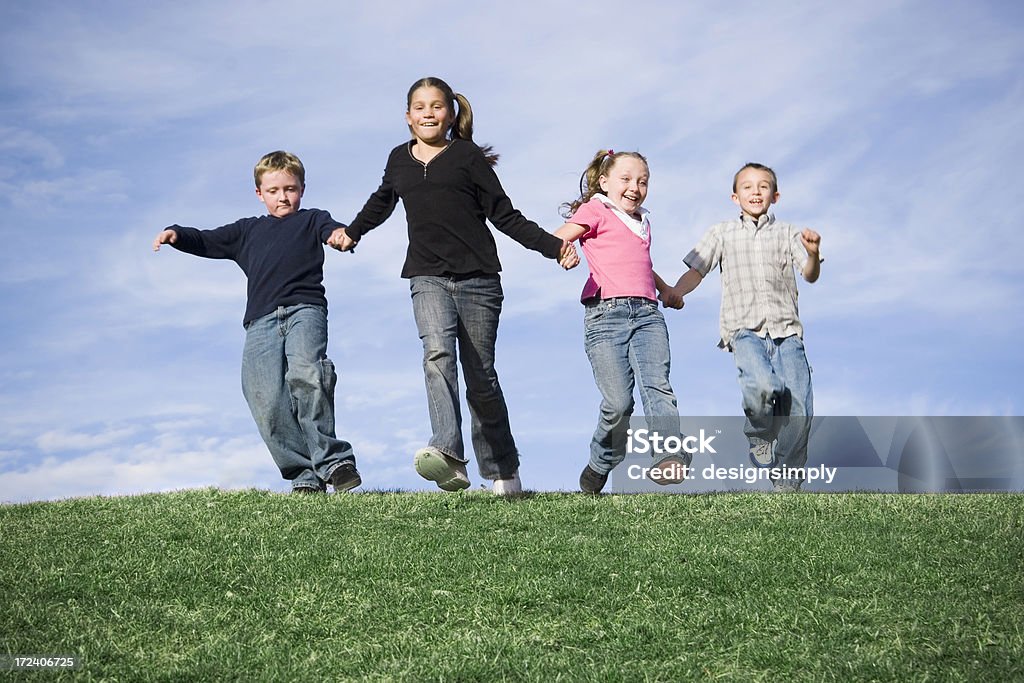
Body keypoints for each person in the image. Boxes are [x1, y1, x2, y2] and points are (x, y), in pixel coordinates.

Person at [328, 76, 578, 496]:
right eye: (420, 106)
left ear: (450, 113)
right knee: (437, 354)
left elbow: (505, 214)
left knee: (480, 376)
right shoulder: (398, 160)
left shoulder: (465, 156)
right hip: (427, 277)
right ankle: (448, 454)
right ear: (408, 117)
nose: (428, 113)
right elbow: (381, 202)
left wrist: (554, 247)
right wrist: (352, 233)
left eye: (437, 105)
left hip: (479, 280)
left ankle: (503, 470)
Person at [152, 151, 361, 494]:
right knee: (264, 396)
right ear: (259, 193)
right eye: (275, 190)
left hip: (304, 311)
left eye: (290, 189)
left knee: (307, 374)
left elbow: (332, 230)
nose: (283, 197)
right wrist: (177, 234)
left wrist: (339, 236)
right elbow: (207, 239)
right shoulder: (248, 230)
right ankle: (303, 474)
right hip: (260, 323)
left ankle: (334, 462)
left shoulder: (311, 220)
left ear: (302, 189)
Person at [667, 162, 821, 492]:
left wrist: (813, 253)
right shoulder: (721, 233)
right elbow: (698, 269)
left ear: (775, 196)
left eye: (763, 186)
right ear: (735, 196)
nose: (755, 192)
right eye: (747, 187)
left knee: (801, 409)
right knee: (763, 388)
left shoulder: (788, 233)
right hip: (744, 330)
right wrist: (676, 292)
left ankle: (788, 477)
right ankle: (760, 434)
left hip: (788, 332)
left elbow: (809, 274)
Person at [553, 150, 686, 494]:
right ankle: (601, 461)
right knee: (618, 404)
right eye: (626, 179)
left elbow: (640, 264)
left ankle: (668, 456)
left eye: (642, 181)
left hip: (648, 315)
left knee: (657, 386)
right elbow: (561, 235)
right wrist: (565, 251)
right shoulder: (596, 209)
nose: (635, 187)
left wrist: (666, 289)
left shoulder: (642, 221)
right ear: (605, 181)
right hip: (605, 317)